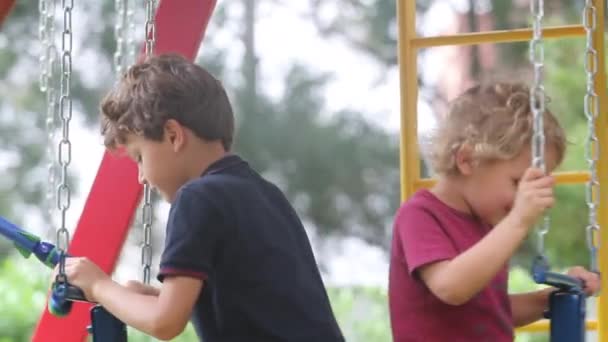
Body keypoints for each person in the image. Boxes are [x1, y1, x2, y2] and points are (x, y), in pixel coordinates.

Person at [55, 53, 344, 342]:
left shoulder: (196, 198)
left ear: (172, 135)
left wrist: (99, 286)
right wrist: (151, 297)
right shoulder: (263, 193)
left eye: (140, 157)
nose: (141, 177)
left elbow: (165, 323)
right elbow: (250, 302)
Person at [388, 82, 601, 341]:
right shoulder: (420, 215)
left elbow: (491, 312)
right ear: (467, 160)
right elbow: (451, 288)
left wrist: (553, 298)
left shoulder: (487, 223)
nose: (524, 197)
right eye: (516, 182)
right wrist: (517, 221)